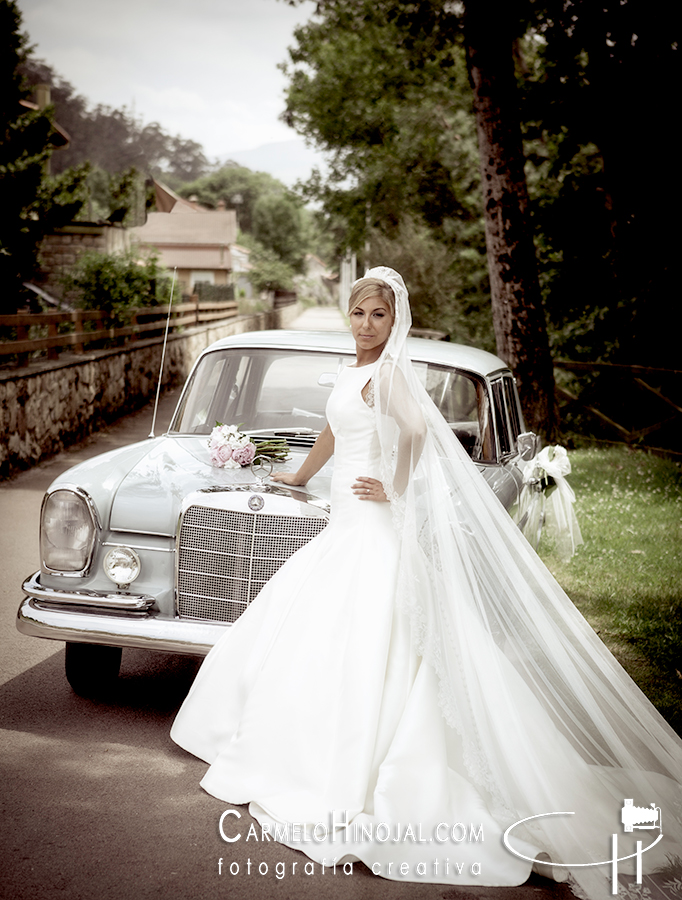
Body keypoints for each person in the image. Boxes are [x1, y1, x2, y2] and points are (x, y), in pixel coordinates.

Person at [171, 267, 682, 897]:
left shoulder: (389, 373)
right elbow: (336, 429)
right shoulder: (355, 369)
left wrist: (397, 486)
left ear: (394, 321)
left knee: (373, 635)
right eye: (358, 313)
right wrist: (302, 477)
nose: (365, 325)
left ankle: (369, 766)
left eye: (378, 316)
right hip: (345, 521)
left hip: (372, 521)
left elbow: (413, 431)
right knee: (315, 628)